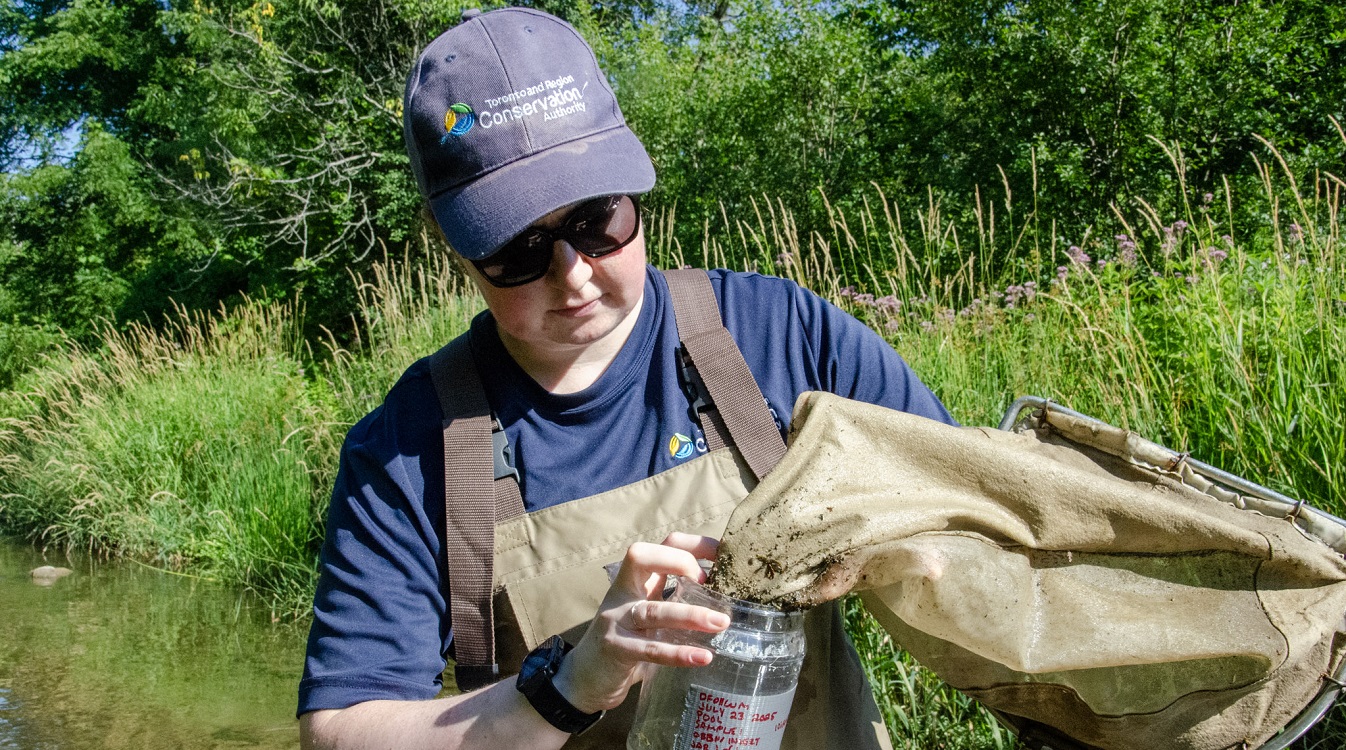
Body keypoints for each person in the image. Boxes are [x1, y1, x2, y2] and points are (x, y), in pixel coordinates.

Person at [297, 7, 955, 749]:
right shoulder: (408, 449)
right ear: (455, 250)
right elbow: (340, 731)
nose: (572, 275)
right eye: (518, 248)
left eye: (596, 220)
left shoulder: (779, 336)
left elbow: (971, 519)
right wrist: (568, 687)